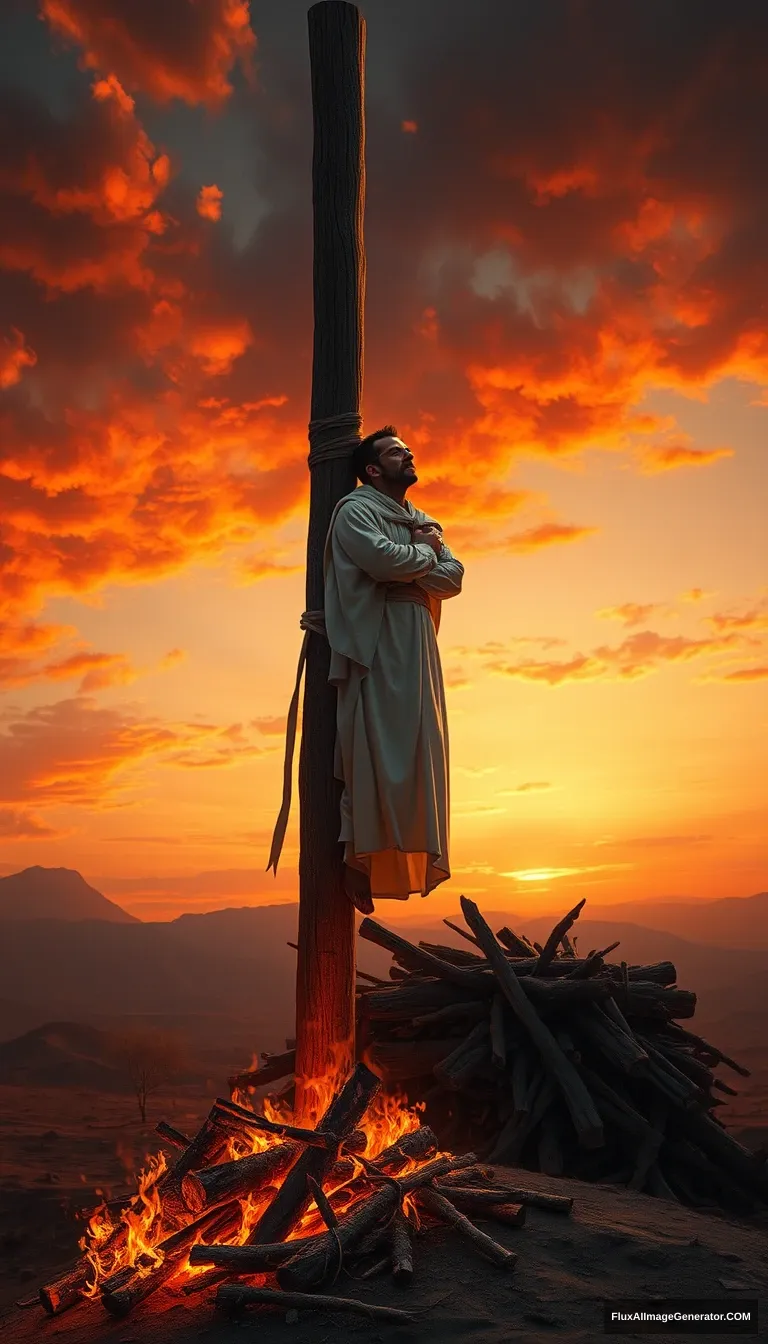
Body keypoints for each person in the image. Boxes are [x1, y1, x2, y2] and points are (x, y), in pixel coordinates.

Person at [323, 425, 464, 913]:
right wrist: (425, 551)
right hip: (378, 641)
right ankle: (356, 857)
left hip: (419, 644)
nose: (408, 455)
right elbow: (383, 562)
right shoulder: (356, 511)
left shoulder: (422, 517)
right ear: (372, 469)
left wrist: (419, 558)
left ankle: (402, 846)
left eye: (407, 449)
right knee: (375, 748)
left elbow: (454, 578)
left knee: (418, 751)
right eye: (396, 452)